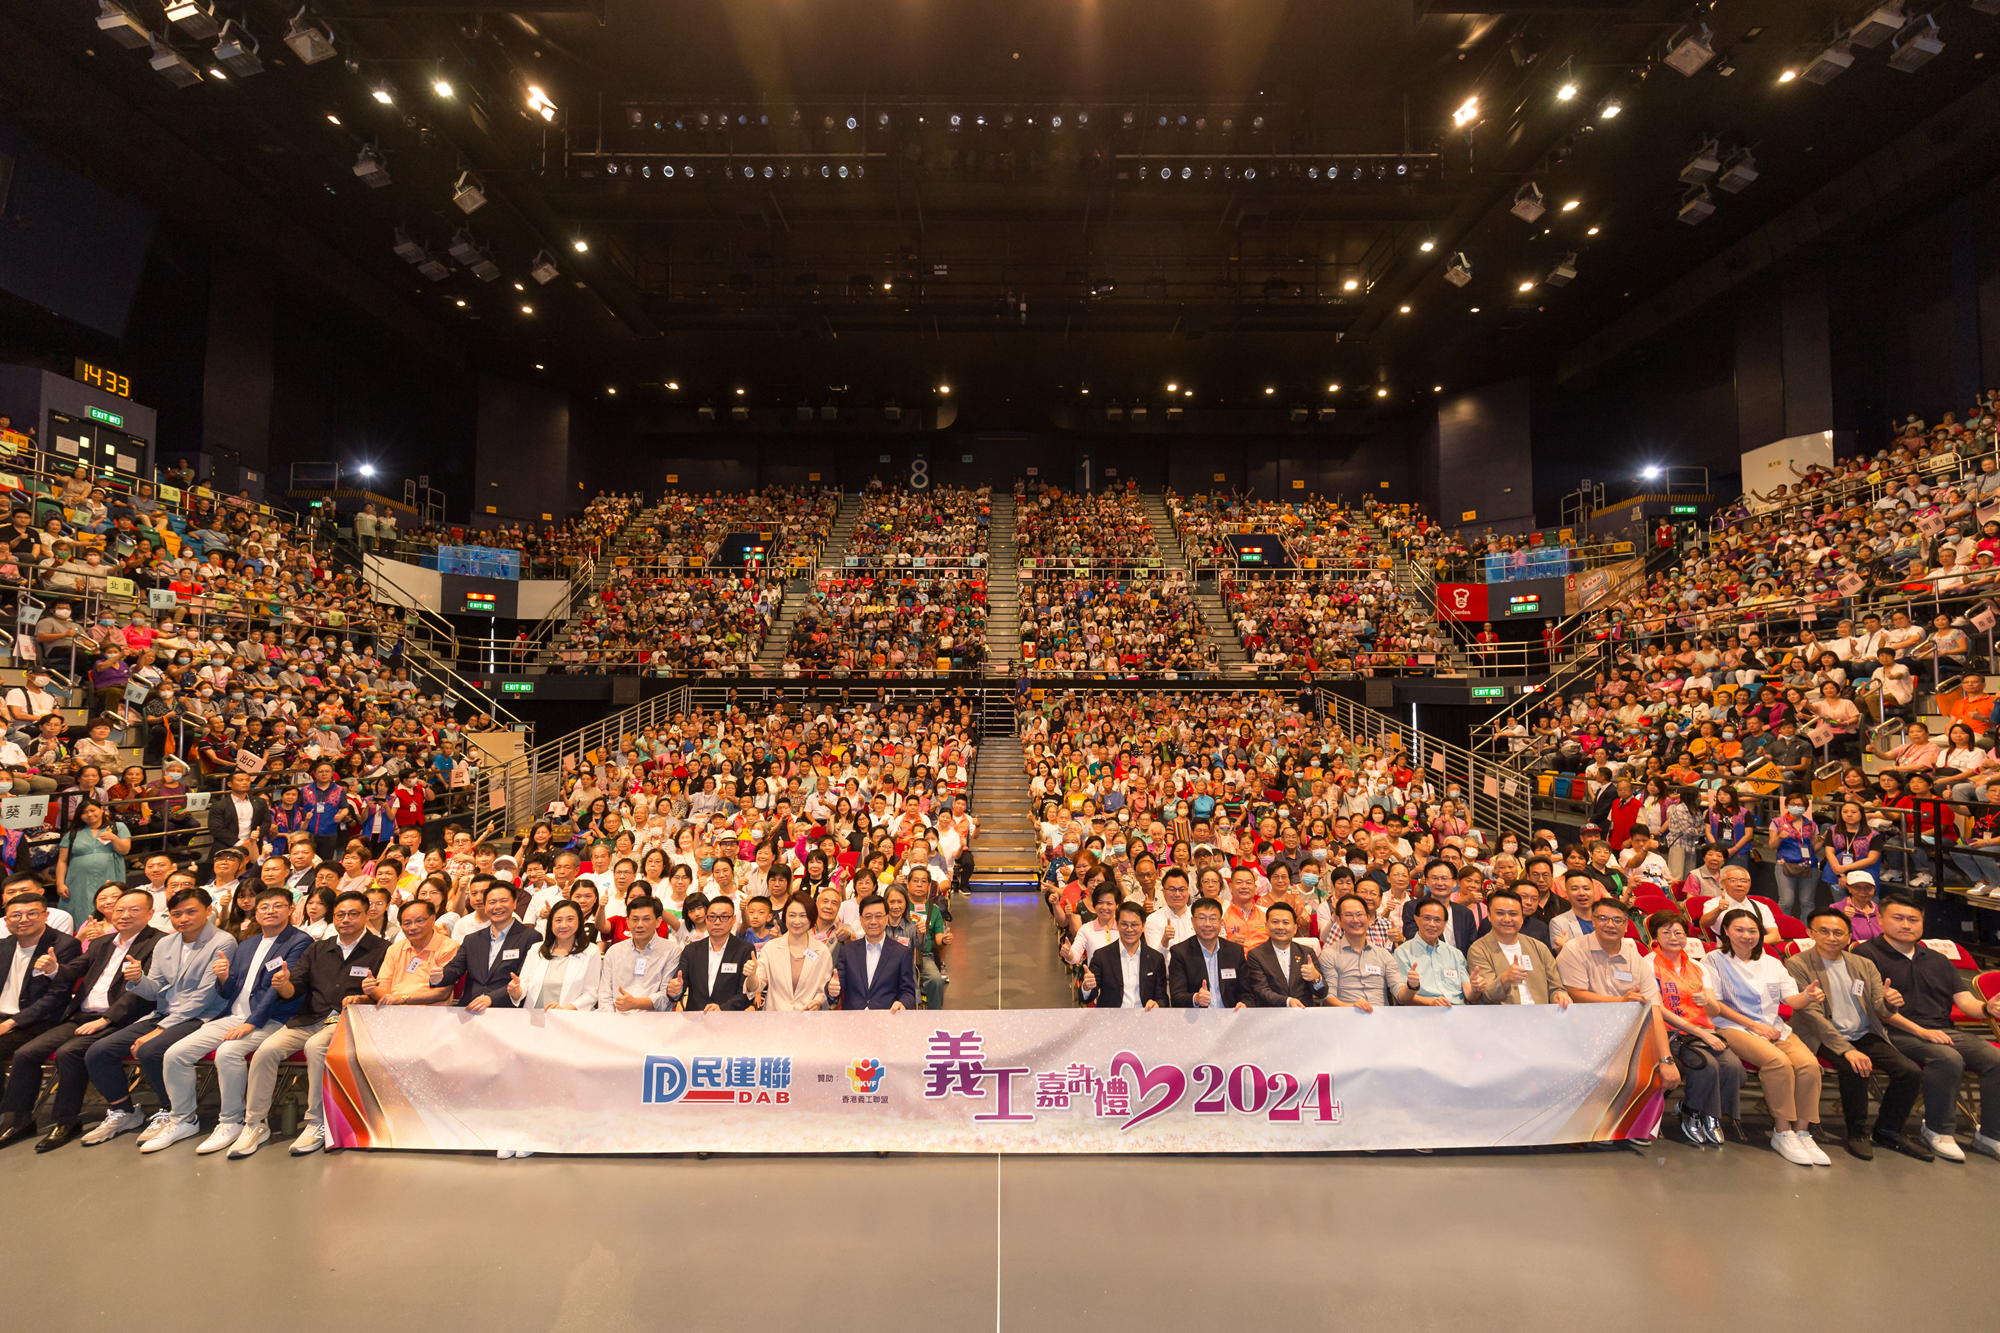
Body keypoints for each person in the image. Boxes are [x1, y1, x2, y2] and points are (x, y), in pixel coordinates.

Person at [147, 886, 312, 1156]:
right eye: (264, 907)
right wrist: (223, 977)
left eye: (278, 906)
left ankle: (231, 1121)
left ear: (291, 909)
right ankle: (183, 1120)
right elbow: (229, 991)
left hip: (271, 1018)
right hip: (232, 1016)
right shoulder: (247, 943)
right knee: (175, 1054)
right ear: (255, 913)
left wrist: (251, 1023)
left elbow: (279, 988)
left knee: (228, 1053)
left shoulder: (300, 941)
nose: (270, 911)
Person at [229, 890, 389, 1160]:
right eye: (340, 914)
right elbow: (295, 988)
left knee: (316, 1047)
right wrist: (283, 985)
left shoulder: (382, 949)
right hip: (309, 1017)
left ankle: (317, 1122)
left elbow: (383, 990)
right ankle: (255, 1123)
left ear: (366, 915)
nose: (346, 919)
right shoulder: (318, 948)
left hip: (348, 1020)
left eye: (353, 914)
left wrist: (363, 997)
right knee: (266, 1050)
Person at [0, 886, 159, 1151]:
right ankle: (19, 1121)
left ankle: (67, 1121)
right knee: (26, 1053)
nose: (124, 915)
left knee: (69, 1052)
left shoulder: (158, 943)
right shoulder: (102, 943)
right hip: (81, 1015)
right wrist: (54, 969)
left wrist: (106, 1019)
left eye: (134, 910)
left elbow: (140, 995)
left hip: (122, 1018)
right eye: (119, 910)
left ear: (150, 913)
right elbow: (74, 969)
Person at [77, 886, 230, 1148]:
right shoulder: (166, 943)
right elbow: (155, 989)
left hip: (202, 1016)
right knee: (98, 1051)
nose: (183, 919)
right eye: (177, 914)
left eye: (191, 912)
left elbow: (204, 997)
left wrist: (160, 1029)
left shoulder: (222, 941)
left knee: (151, 1049)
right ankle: (124, 1111)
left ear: (208, 911)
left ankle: (172, 1112)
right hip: (162, 1013)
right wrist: (139, 980)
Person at [1855, 892, 2000, 1162]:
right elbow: (1874, 1009)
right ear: (1881, 919)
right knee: (1947, 1058)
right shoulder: (1865, 954)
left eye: (1913, 919)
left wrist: (1985, 1008)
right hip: (1890, 1032)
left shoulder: (1936, 959)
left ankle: (1991, 1135)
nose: (1906, 925)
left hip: (1941, 1029)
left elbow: (1964, 1000)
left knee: (1996, 1058)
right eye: (1898, 918)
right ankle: (1937, 1130)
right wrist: (1921, 1032)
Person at [1784, 907, 1927, 1161]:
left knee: (1909, 1071)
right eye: (1824, 931)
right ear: (1810, 933)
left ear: (1849, 936)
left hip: (1863, 1032)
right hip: (1821, 1034)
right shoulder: (1798, 964)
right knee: (1855, 1067)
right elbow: (1812, 1016)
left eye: (1838, 933)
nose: (1832, 938)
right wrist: (1847, 1050)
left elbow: (1878, 1005)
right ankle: (1857, 1132)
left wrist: (1890, 1002)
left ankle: (1888, 1130)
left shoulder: (1862, 964)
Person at [1703, 907, 1829, 1167]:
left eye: (1753, 931)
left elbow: (1791, 1000)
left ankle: (1802, 1132)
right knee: (1778, 1062)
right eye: (1739, 930)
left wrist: (1807, 996)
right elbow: (1715, 1004)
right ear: (1726, 931)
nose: (1747, 936)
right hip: (1733, 1027)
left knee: (1809, 1065)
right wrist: (1754, 1025)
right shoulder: (1713, 960)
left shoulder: (1772, 962)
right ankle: (1782, 1132)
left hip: (1774, 1027)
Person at [1647, 909, 1744, 1150]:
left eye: (1679, 932)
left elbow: (1713, 1010)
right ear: (1655, 937)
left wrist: (1707, 1002)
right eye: (1666, 932)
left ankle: (1706, 1112)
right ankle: (1691, 1112)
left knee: (1734, 1068)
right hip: (1669, 1033)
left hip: (1701, 1031)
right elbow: (1658, 1009)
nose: (1673, 937)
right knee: (1706, 1065)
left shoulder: (1700, 968)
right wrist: (1700, 1033)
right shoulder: (1648, 964)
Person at [0, 891, 86, 1125]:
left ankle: (16, 1119)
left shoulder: (64, 945)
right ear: (6, 920)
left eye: (32, 913)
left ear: (45, 915)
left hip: (41, 1019)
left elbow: (57, 996)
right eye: (16, 915)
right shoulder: (4, 945)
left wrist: (9, 1024)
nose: (23, 919)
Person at [430, 876, 541, 1009]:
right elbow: (455, 967)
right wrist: (441, 976)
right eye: (492, 902)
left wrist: (491, 998)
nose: (498, 906)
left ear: (514, 903)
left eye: (504, 901)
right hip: (470, 1008)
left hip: (507, 1009)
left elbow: (524, 979)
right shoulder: (472, 939)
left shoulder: (531, 938)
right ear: (485, 905)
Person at [1464, 888, 1569, 1006]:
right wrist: (1505, 979)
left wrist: (1559, 995)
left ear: (1521, 918)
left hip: (1540, 1013)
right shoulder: (1478, 950)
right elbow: (1485, 997)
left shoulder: (1539, 947)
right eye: (1500, 913)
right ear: (1489, 916)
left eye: (1513, 914)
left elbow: (1556, 986)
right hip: (1502, 1015)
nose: (1507, 919)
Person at [668, 894, 758, 1011]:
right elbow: (679, 983)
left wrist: (722, 1009)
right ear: (706, 919)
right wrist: (675, 990)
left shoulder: (744, 950)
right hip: (696, 1017)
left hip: (729, 1018)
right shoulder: (691, 950)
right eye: (712, 917)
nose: (717, 922)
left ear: (733, 920)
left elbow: (745, 994)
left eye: (724, 917)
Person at [510, 901, 602, 1012]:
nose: (564, 925)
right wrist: (516, 991)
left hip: (571, 1018)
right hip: (535, 1017)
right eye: (558, 920)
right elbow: (524, 985)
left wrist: (563, 1010)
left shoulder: (591, 951)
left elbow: (591, 993)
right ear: (551, 923)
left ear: (579, 922)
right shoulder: (536, 949)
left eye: (570, 919)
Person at [596, 895, 682, 1012]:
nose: (640, 925)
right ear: (628, 922)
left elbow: (667, 998)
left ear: (658, 922)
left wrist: (635, 1003)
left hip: (653, 1020)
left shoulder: (671, 950)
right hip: (617, 1018)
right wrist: (612, 1019)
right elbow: (605, 995)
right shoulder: (614, 951)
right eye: (635, 919)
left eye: (646, 919)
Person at [830, 894, 916, 1011]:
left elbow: (908, 992)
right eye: (868, 917)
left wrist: (902, 1003)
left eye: (878, 916)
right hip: (853, 1017)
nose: (873, 921)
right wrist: (832, 990)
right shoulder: (848, 951)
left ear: (886, 918)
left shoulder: (901, 952)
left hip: (887, 1016)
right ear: (861, 920)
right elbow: (837, 985)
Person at [750, 896, 836, 1010]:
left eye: (803, 916)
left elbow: (822, 990)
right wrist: (751, 976)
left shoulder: (822, 951)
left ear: (811, 917)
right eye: (792, 915)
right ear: (784, 917)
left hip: (807, 1017)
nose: (797, 921)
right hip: (775, 1017)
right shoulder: (771, 948)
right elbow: (755, 987)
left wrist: (818, 1002)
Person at [1079, 901, 1169, 1009]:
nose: (1129, 929)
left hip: (1145, 1015)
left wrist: (1157, 1005)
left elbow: (1162, 998)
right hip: (1112, 1017)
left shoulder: (1156, 958)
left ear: (1143, 926)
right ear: (1117, 925)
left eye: (1135, 924)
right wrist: (1086, 987)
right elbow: (1086, 998)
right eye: (1124, 924)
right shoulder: (1102, 956)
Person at [1317, 893, 1400, 1011]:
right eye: (1348, 915)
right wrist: (1354, 1008)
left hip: (1380, 1018)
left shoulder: (1383, 954)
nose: (1355, 920)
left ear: (1368, 918)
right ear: (1339, 920)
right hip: (1345, 1016)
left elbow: (1400, 991)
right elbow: (1328, 998)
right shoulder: (1329, 955)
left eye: (1360, 914)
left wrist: (1412, 987)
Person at [1167, 895, 1248, 1009]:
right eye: (1202, 918)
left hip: (1230, 1016)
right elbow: (1176, 997)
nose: (1208, 924)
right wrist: (1196, 998)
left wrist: (1243, 1004)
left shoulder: (1235, 951)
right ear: (1192, 921)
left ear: (1221, 922)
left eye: (1213, 918)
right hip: (1198, 1017)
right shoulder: (1180, 952)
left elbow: (1246, 993)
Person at [1241, 901, 1326, 1008]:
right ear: (1267, 926)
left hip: (1303, 1013)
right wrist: (1288, 1001)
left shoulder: (1306, 953)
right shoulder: (1256, 955)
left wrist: (1316, 978)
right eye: (1275, 922)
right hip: (1272, 1014)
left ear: (1295, 928)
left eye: (1286, 922)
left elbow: (1322, 993)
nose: (1280, 927)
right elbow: (1261, 991)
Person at [1393, 899, 1470, 1005]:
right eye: (1426, 918)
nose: (1432, 924)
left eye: (1437, 920)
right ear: (1416, 919)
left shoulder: (1456, 954)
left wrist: (1475, 989)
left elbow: (1470, 994)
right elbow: (1402, 997)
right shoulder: (1403, 953)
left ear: (1444, 924)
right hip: (1423, 1011)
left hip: (1458, 1011)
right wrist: (1431, 1002)